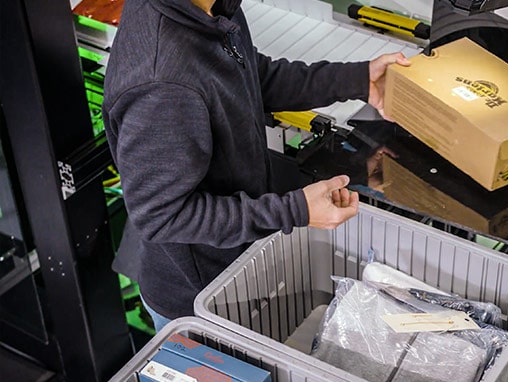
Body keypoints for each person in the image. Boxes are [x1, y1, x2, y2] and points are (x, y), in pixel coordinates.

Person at [103, 0, 410, 331]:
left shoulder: (209, 9)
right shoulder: (162, 86)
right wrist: (295, 211)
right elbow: (163, 216)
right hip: (201, 301)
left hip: (239, 263)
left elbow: (250, 75)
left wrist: (357, 80)